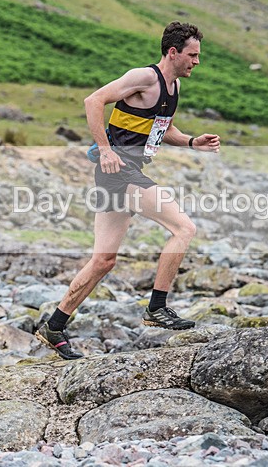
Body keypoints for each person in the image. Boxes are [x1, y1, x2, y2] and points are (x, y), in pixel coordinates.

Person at [35, 22, 221, 359]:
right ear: (173, 52)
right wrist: (105, 149)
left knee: (103, 260)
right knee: (184, 228)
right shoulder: (145, 78)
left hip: (120, 175)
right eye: (193, 55)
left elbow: (162, 127)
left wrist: (193, 142)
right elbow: (94, 100)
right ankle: (157, 306)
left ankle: (54, 326)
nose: (197, 62)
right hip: (119, 171)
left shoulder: (173, 87)